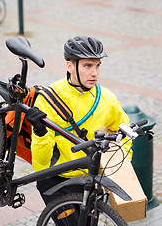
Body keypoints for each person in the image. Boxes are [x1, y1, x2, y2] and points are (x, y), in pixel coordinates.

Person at [26, 35, 132, 207]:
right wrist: (39, 132)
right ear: (70, 66)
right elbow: (41, 163)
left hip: (89, 180)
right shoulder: (48, 99)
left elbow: (124, 132)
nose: (95, 73)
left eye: (98, 66)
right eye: (87, 66)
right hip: (55, 181)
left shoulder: (107, 99)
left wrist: (116, 167)